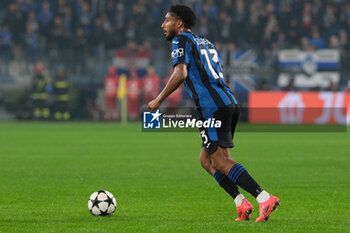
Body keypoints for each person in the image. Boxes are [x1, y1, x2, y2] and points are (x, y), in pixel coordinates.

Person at [147, 5, 280, 222]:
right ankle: (241, 203)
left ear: (179, 23)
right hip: (227, 101)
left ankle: (264, 197)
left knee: (221, 161)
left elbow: (180, 73)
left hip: (212, 107)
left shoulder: (180, 40)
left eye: (167, 20)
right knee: (206, 161)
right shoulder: (205, 41)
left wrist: (158, 100)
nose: (163, 25)